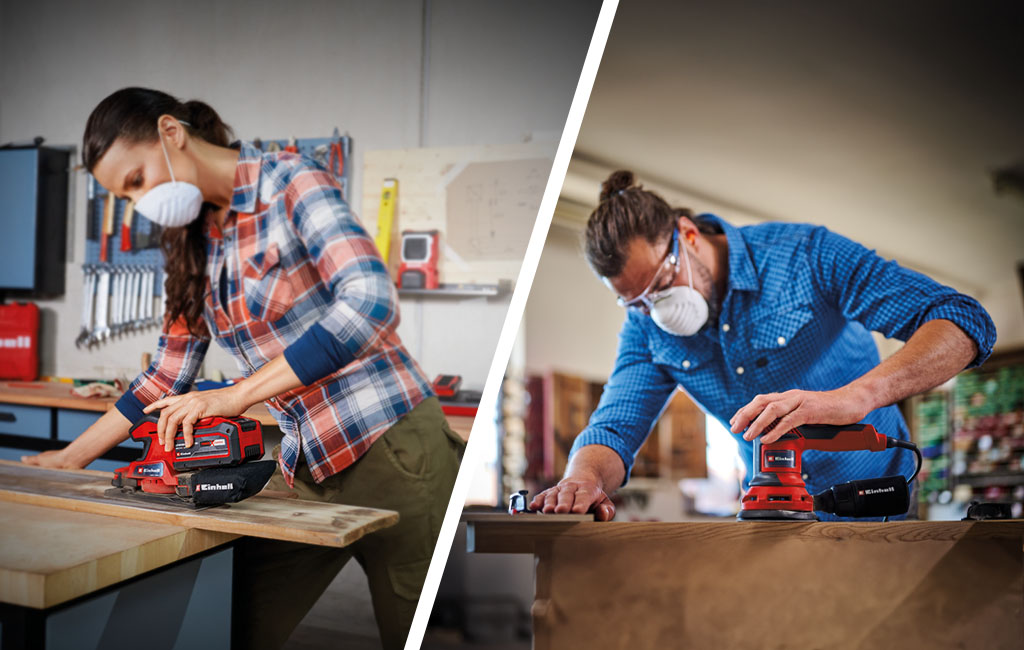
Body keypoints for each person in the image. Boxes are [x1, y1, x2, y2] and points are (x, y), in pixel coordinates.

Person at [21, 87, 464, 650]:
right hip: (306, 463)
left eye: (135, 180)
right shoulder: (195, 240)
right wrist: (69, 459)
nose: (139, 202)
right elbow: (165, 372)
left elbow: (370, 300)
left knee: (416, 632)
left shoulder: (291, 182)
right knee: (231, 622)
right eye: (123, 197)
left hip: (397, 449)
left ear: (172, 133)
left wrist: (236, 395)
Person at [530, 170, 996, 522]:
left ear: (687, 235)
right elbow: (614, 427)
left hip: (878, 504)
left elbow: (962, 321)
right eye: (637, 301)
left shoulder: (805, 255)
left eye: (661, 283)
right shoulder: (646, 328)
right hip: (774, 517)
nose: (658, 309)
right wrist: (582, 480)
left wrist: (854, 399)